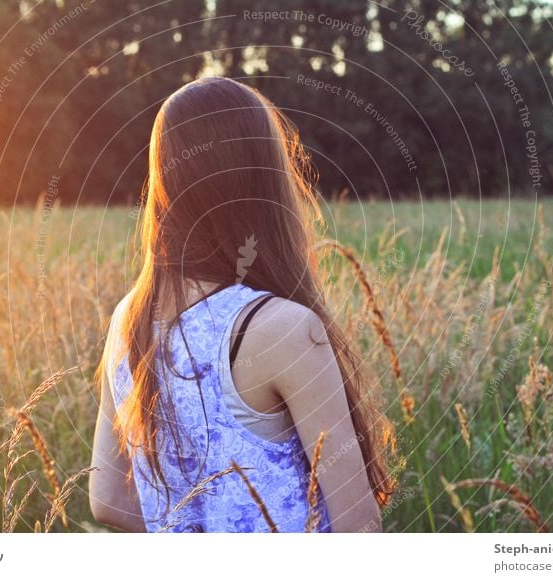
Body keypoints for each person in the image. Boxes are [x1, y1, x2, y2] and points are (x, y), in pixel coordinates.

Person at [89, 76, 393, 533]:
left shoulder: (127, 319)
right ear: (263, 180)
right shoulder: (282, 329)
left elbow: (109, 501)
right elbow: (359, 525)